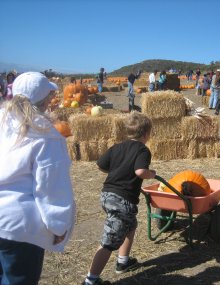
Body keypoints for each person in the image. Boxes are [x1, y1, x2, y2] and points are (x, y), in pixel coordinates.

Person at [0, 72, 75, 285]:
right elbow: (51, 187)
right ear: (45, 100)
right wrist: (59, 225)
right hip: (18, 226)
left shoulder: (3, 119)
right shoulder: (45, 134)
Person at [82, 112, 156, 285]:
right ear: (146, 134)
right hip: (122, 201)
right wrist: (151, 173)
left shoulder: (117, 147)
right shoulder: (143, 150)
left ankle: (123, 262)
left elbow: (100, 165)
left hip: (107, 195)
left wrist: (116, 172)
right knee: (109, 240)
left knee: (130, 225)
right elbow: (140, 172)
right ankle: (90, 280)